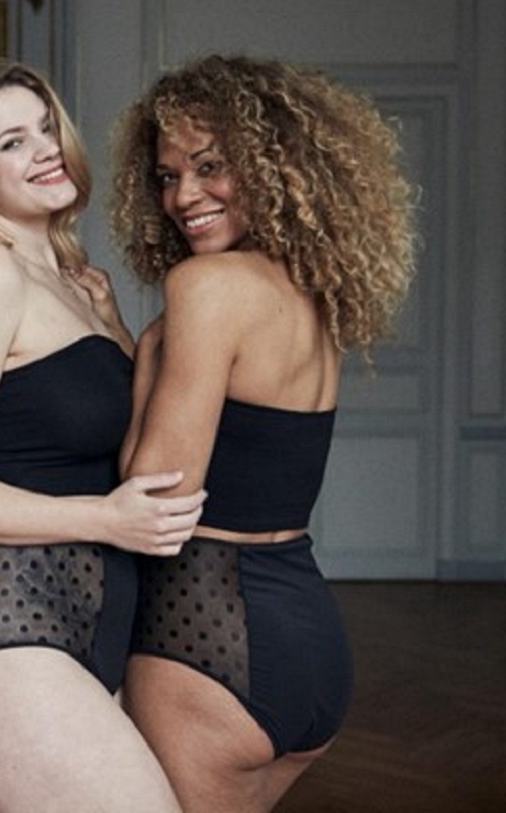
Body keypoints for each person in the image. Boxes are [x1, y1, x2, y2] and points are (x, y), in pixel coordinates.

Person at [0, 58, 207, 812]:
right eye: (11, 143)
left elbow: (114, 430)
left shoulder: (70, 278)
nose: (45, 149)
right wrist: (103, 518)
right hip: (5, 618)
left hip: (91, 617)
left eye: (45, 128)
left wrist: (117, 326)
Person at [111, 54, 417, 812]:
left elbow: (159, 496)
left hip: (206, 637)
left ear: (269, 163)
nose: (184, 196)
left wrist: (144, 356)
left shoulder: (205, 287)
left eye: (210, 166)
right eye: (168, 176)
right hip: (308, 634)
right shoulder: (315, 295)